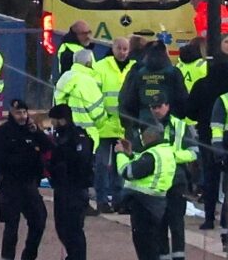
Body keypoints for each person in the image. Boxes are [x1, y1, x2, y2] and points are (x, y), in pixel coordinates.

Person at [0, 99, 51, 260]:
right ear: (11, 113)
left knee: (39, 219)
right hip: (11, 185)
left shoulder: (31, 131)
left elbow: (49, 148)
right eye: (18, 113)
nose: (22, 116)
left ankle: (28, 259)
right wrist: (16, 162)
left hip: (29, 184)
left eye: (25, 112)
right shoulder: (2, 133)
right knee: (12, 226)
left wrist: (38, 133)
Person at [116, 126, 177, 260]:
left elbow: (129, 172)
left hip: (144, 206)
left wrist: (120, 154)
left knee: (145, 249)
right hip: (156, 204)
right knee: (151, 248)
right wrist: (131, 153)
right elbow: (143, 166)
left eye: (143, 136)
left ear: (150, 136)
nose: (141, 138)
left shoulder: (151, 155)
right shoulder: (164, 152)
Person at [149, 95, 197, 260]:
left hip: (176, 182)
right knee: (159, 226)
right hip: (157, 183)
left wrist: (171, 156)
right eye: (153, 107)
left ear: (167, 106)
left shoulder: (180, 126)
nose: (156, 110)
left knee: (176, 225)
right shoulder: (146, 125)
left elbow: (194, 153)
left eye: (159, 106)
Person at [47, 103, 95, 260]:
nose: (52, 123)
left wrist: (61, 169)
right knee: (63, 227)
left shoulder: (76, 137)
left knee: (73, 228)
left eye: (54, 120)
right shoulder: (63, 136)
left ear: (62, 119)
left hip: (74, 189)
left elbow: (79, 162)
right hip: (63, 188)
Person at [93, 38, 135, 212]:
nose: (123, 52)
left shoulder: (134, 67)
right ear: (113, 48)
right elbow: (94, 93)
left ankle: (119, 200)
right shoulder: (101, 66)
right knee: (102, 164)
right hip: (104, 124)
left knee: (121, 164)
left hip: (124, 125)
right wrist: (101, 116)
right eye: (119, 48)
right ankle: (102, 200)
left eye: (126, 49)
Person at [120, 41, 187, 143]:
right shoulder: (173, 72)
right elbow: (182, 100)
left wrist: (133, 123)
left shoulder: (137, 72)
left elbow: (127, 100)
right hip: (170, 125)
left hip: (143, 124)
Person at [194, 39, 228, 228]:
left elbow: (190, 108)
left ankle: (209, 218)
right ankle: (225, 222)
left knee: (210, 177)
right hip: (226, 135)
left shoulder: (203, 84)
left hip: (208, 135)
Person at [54, 49, 105, 148]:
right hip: (87, 136)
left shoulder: (65, 78)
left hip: (66, 135)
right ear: (89, 62)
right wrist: (102, 123)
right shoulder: (87, 81)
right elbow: (97, 112)